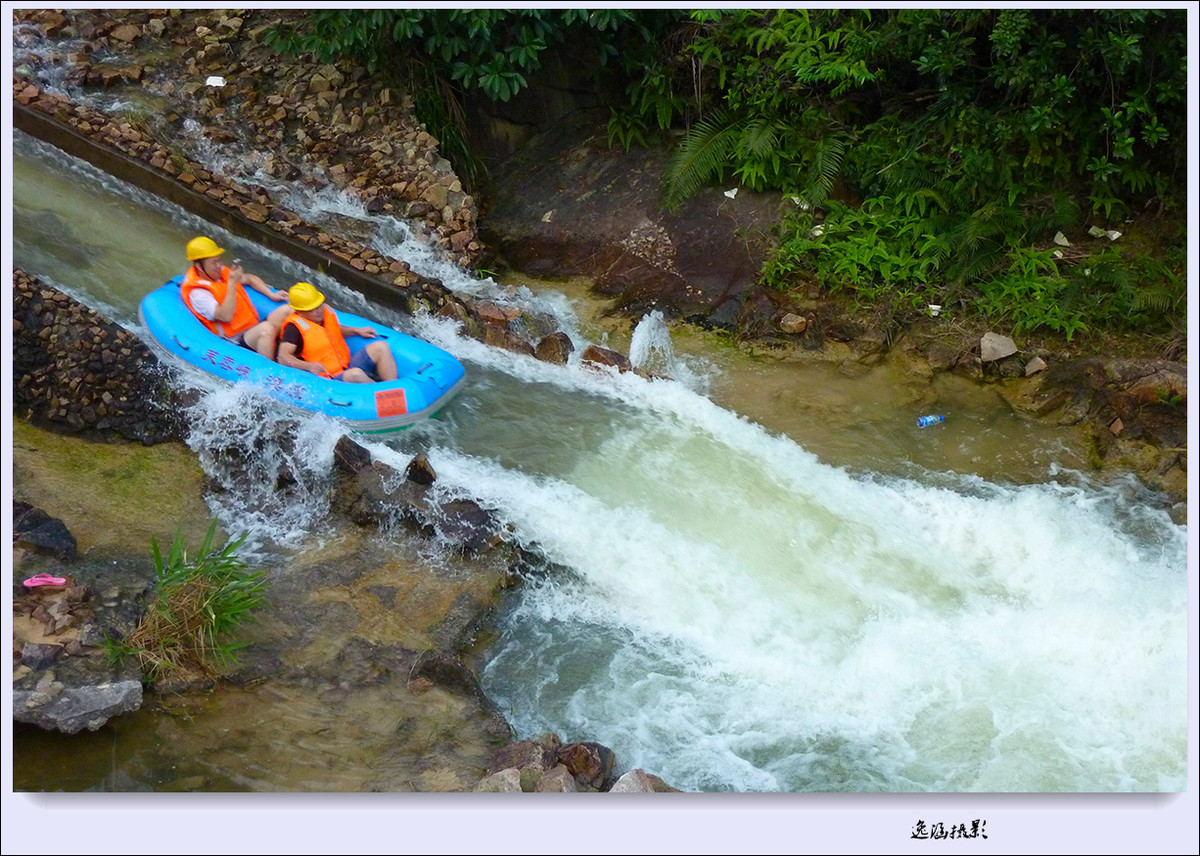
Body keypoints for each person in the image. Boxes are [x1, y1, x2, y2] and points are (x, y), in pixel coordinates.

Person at [181, 236, 290, 358]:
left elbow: (249, 279)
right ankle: (271, 372)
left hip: (252, 325)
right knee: (266, 329)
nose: (219, 265)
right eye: (214, 262)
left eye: (219, 260)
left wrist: (271, 294)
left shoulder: (222, 272)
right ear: (199, 267)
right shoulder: (199, 293)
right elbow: (225, 316)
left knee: (288, 310)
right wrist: (232, 283)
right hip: (234, 340)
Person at [276, 282, 399, 383]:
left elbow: (331, 330)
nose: (318, 311)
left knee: (381, 347)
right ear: (300, 311)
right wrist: (309, 366)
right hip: (327, 378)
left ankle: (393, 386)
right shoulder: (293, 329)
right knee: (355, 375)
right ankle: (383, 395)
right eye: (312, 310)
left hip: (345, 365)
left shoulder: (324, 314)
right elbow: (283, 357)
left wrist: (356, 331)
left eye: (319, 306)